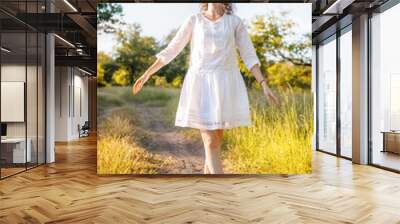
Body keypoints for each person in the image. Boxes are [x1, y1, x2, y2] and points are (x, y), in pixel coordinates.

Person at [133, 3, 279, 174]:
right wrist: (147, 74)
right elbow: (172, 49)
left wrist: (263, 84)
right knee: (211, 142)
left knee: (215, 141)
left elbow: (248, 54)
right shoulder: (194, 20)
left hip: (226, 84)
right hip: (200, 84)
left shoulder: (234, 22)